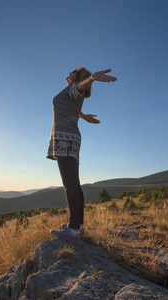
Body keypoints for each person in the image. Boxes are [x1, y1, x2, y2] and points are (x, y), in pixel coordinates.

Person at [47, 66, 117, 241]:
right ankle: (78, 227)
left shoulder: (75, 87)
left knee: (70, 186)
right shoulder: (72, 91)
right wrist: (84, 116)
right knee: (74, 185)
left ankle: (73, 228)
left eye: (73, 70)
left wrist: (92, 78)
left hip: (65, 140)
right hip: (70, 140)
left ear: (78, 77)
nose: (69, 71)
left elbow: (78, 89)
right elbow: (73, 102)